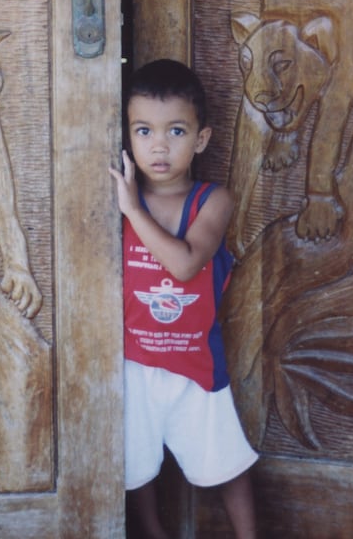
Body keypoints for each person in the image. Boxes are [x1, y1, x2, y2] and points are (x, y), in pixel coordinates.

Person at [109, 58, 258, 539]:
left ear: (202, 139)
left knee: (225, 461)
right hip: (133, 360)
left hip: (195, 362)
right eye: (144, 130)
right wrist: (127, 203)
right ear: (128, 137)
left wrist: (132, 208)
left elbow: (187, 263)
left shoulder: (213, 200)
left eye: (176, 130)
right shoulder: (108, 201)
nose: (158, 145)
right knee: (136, 467)